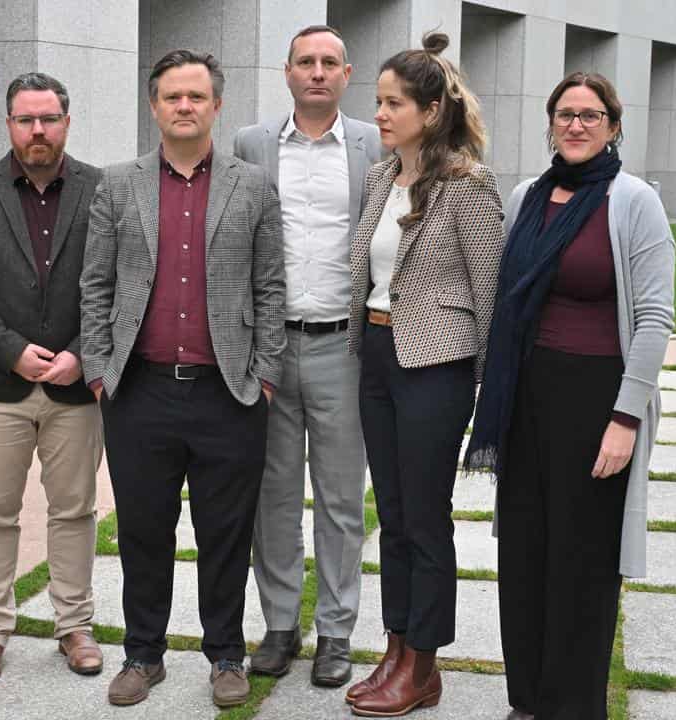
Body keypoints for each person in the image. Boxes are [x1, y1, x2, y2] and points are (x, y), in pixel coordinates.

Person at [464, 72, 675, 720]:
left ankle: (574, 706)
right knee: (525, 554)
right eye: (565, 113)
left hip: (596, 404)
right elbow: (503, 298)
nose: (576, 125)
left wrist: (625, 419)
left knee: (583, 562)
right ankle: (526, 700)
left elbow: (655, 318)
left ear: (614, 126)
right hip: (527, 398)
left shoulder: (634, 201)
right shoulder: (529, 195)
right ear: (550, 121)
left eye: (590, 114)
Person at [80, 49, 286, 709]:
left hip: (229, 391)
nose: (185, 106)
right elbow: (97, 284)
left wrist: (267, 374)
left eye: (197, 96)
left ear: (217, 105)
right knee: (143, 528)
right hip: (137, 390)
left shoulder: (252, 185)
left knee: (225, 532)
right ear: (154, 105)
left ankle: (226, 653)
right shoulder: (118, 184)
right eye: (173, 96)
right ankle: (143, 655)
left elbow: (271, 285)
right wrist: (96, 369)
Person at [344, 33, 504, 717]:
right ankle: (396, 644)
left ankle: (424, 663)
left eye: (392, 103)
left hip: (436, 365)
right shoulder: (382, 178)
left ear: (431, 109)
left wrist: (490, 388)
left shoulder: (467, 185)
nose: (379, 114)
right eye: (377, 102)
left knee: (425, 518)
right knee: (395, 515)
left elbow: (492, 289)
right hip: (377, 357)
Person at [0, 72, 105, 684]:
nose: (37, 130)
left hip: (74, 385)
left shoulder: (101, 189)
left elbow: (113, 281)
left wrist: (82, 354)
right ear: (9, 123)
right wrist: (12, 351)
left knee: (75, 510)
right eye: (25, 119)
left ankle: (75, 625)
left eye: (49, 119)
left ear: (67, 121)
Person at [232, 24, 382, 687]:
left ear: (347, 74)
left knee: (343, 500)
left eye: (329, 63)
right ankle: (281, 625)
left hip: (344, 348)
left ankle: (339, 634)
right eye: (305, 62)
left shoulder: (377, 146)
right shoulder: (252, 145)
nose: (317, 72)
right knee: (273, 496)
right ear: (287, 72)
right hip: (270, 349)